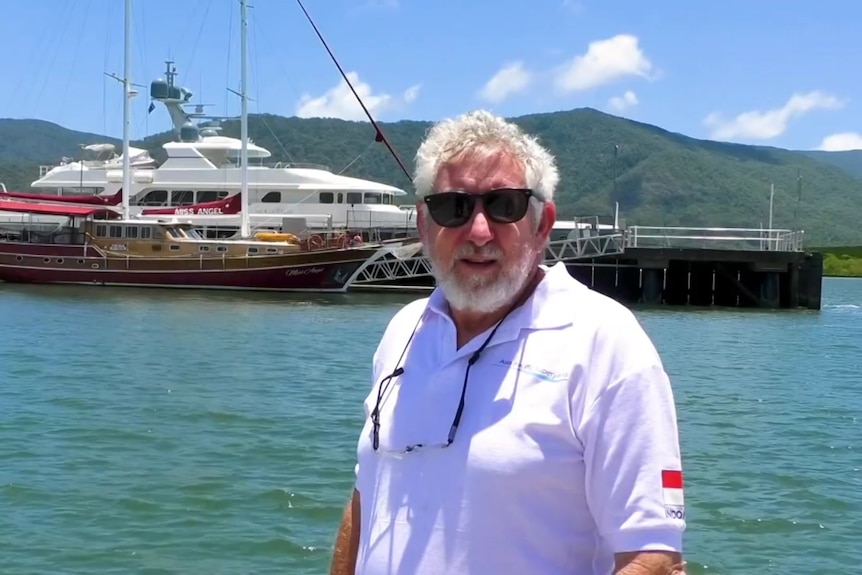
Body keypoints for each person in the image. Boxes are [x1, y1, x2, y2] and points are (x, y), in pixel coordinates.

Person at [330, 110, 687, 575]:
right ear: (423, 223)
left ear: (542, 225)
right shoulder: (404, 330)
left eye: (504, 206)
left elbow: (654, 559)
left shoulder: (605, 343)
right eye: (453, 207)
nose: (479, 231)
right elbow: (366, 499)